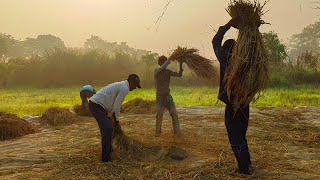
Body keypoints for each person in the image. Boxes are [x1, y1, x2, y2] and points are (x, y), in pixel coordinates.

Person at [212, 18, 253, 175]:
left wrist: (228, 25)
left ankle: (244, 170)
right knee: (241, 134)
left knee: (235, 136)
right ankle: (247, 163)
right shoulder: (245, 60)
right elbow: (251, 45)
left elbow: (215, 41)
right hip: (245, 102)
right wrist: (247, 30)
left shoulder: (226, 58)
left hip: (233, 103)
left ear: (226, 49)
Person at [88, 74, 141, 162]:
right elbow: (116, 107)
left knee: (108, 128)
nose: (135, 88)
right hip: (96, 105)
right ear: (131, 82)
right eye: (135, 85)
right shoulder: (124, 88)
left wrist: (113, 120)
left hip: (100, 106)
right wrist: (117, 122)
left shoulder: (121, 85)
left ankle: (110, 151)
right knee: (107, 128)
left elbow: (113, 106)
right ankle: (106, 159)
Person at [154, 55, 183, 137]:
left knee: (174, 114)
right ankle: (157, 133)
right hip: (160, 96)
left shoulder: (167, 72)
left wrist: (181, 63)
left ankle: (177, 133)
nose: (164, 64)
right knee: (159, 116)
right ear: (159, 63)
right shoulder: (157, 71)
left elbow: (179, 75)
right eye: (163, 62)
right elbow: (162, 67)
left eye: (165, 62)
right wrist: (170, 58)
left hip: (167, 96)